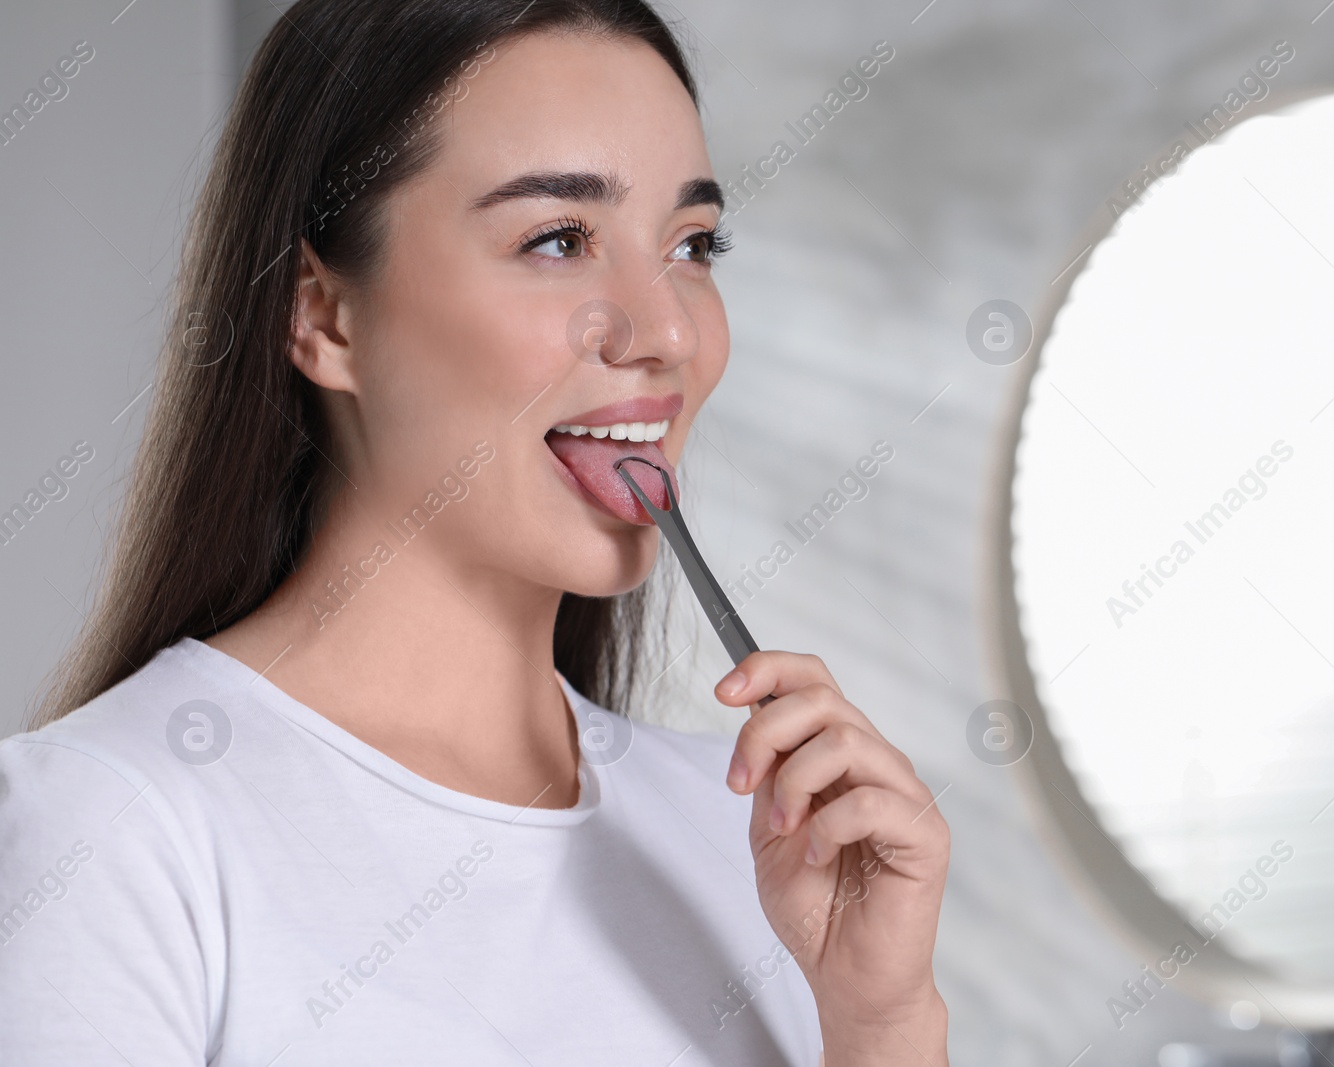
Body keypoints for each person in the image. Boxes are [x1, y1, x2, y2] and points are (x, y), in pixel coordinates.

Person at [0, 2, 950, 1064]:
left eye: (692, 244)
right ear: (324, 316)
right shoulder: (112, 829)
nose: (670, 331)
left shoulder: (763, 842)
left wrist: (880, 1023)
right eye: (557, 239)